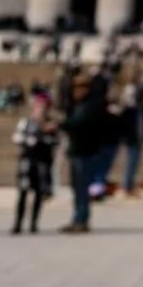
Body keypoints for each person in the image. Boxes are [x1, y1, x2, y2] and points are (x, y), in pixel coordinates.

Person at [60, 72, 106, 233]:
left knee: (82, 187)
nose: (76, 91)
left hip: (85, 151)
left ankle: (81, 219)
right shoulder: (79, 105)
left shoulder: (90, 105)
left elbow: (79, 124)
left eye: (79, 87)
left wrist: (62, 124)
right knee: (76, 187)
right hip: (77, 150)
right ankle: (77, 217)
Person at [11, 90, 59, 234]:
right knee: (23, 192)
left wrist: (45, 138)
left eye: (44, 107)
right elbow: (17, 138)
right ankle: (18, 223)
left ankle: (33, 223)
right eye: (39, 107)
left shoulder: (51, 125)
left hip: (42, 161)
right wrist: (32, 140)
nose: (41, 110)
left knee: (38, 193)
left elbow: (55, 141)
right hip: (27, 160)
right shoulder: (25, 122)